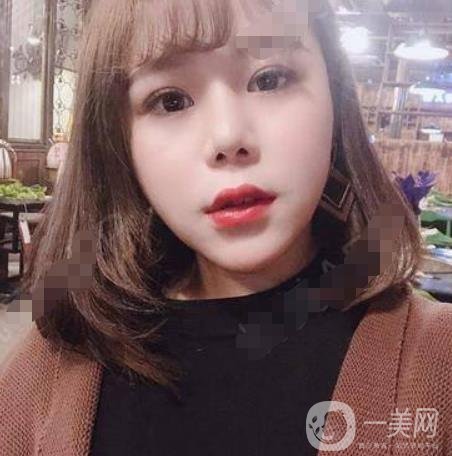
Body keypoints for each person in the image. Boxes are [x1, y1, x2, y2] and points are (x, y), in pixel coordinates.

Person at [1, 0, 451, 454]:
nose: (228, 137)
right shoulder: (52, 366)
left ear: (335, 99)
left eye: (269, 79)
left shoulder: (435, 364)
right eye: (171, 101)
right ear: (118, 141)